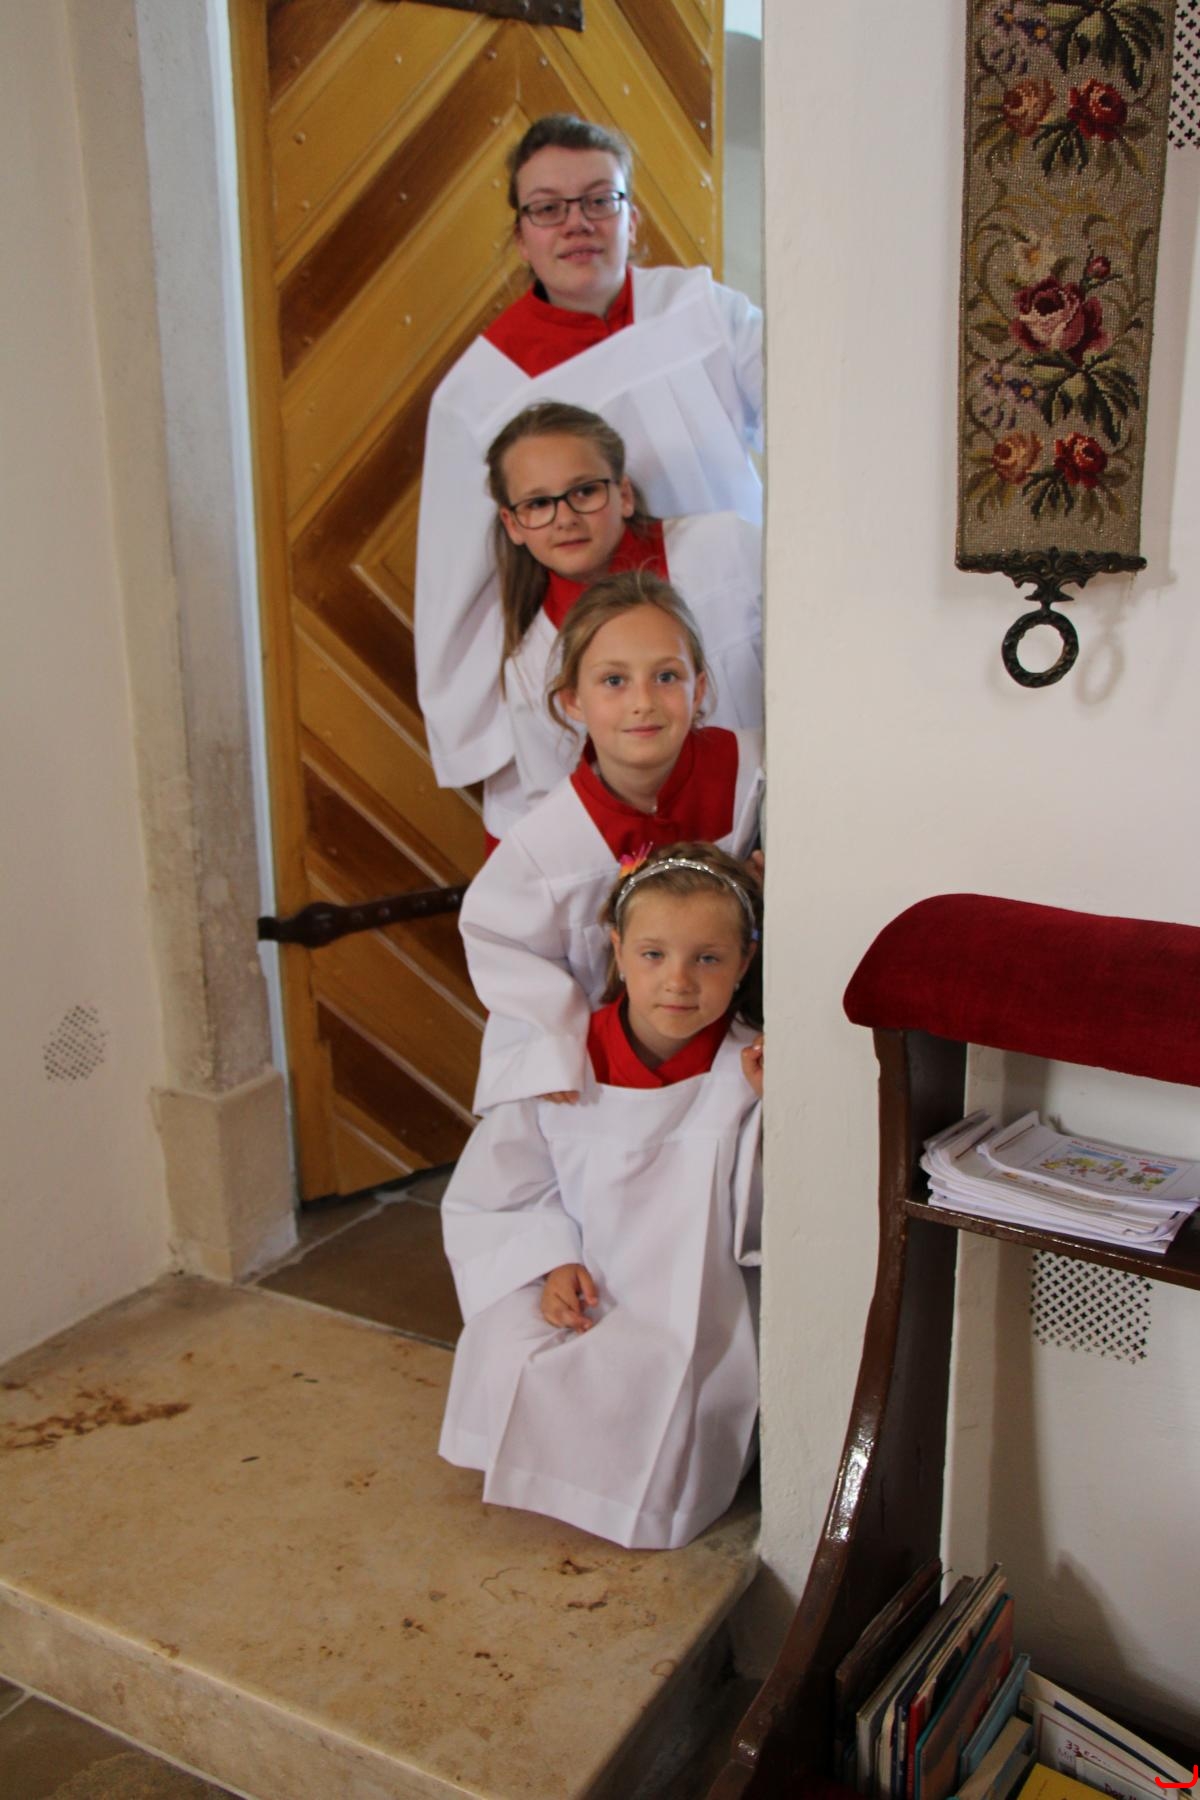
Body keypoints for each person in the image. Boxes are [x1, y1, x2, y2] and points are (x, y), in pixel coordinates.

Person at [415, 112, 763, 813]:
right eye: (548, 208)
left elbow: (815, 425)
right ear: (521, 236)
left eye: (600, 200)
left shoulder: (702, 311)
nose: (577, 223)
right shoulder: (479, 392)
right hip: (592, 656)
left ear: (632, 219)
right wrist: (500, 733)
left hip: (731, 602)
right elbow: (458, 586)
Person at [439, 843, 765, 1551]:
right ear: (616, 949)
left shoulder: (745, 1072)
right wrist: (552, 1262)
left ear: (745, 961)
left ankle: (637, 1500)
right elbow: (507, 1187)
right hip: (580, 1270)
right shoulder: (563, 1063)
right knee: (507, 1345)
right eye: (653, 954)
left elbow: (765, 1224)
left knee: (656, 1375)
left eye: (708, 958)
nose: (678, 981)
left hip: (691, 1292)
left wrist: (776, 1112)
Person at [458, 570, 763, 1111]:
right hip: (621, 1079)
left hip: (747, 1056)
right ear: (572, 700)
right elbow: (500, 944)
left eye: (666, 676)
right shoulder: (546, 847)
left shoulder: (756, 770)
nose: (643, 702)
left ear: (699, 689)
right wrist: (551, 1040)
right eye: (614, 681)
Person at [485, 400, 762, 837]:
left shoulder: (724, 546)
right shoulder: (531, 665)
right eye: (538, 503)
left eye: (584, 492)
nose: (565, 519)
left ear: (625, 494)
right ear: (513, 523)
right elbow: (566, 816)